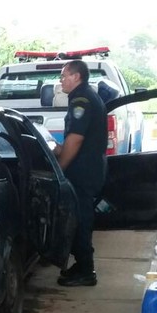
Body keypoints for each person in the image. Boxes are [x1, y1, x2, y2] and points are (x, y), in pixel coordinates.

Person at [52, 59, 108, 287]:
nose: (61, 81)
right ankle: (82, 264)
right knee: (80, 216)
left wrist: (60, 170)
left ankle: (86, 270)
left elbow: (76, 139)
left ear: (76, 77)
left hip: (83, 171)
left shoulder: (81, 100)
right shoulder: (86, 96)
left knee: (81, 218)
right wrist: (58, 150)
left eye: (64, 76)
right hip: (90, 167)